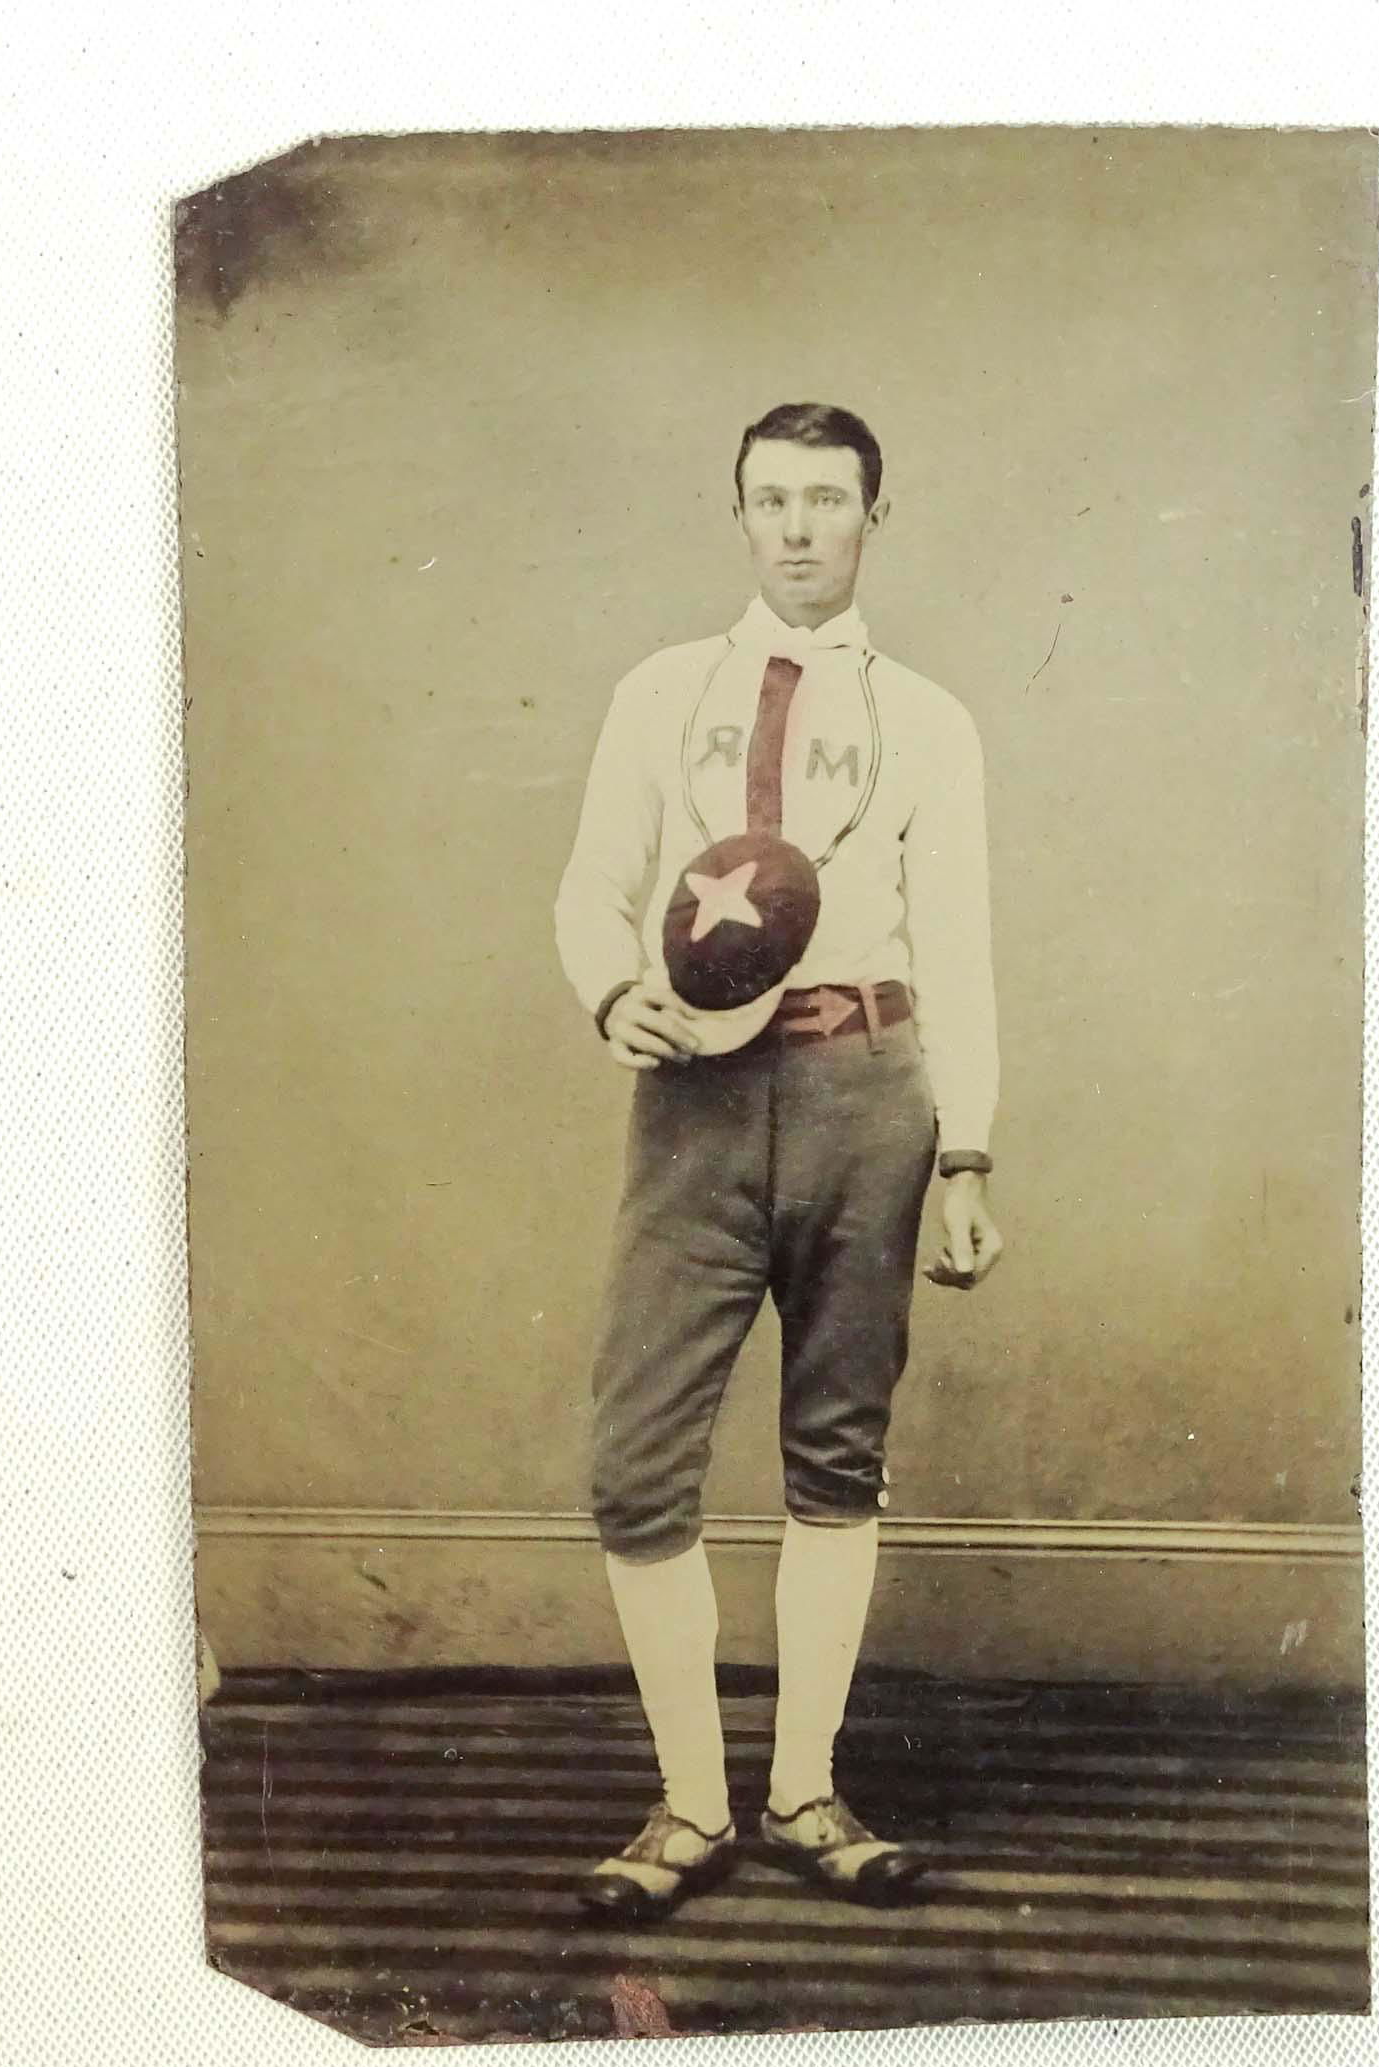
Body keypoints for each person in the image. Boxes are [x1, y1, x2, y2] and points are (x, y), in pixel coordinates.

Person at [554, 401, 1002, 1920]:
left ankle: (805, 1787)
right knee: (637, 1463)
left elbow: (963, 949)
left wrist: (970, 1153)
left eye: (829, 498)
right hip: (696, 1096)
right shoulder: (665, 693)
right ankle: (690, 1804)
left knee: (835, 1452)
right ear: (738, 515)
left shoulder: (928, 720)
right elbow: (591, 888)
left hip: (865, 1092)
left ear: (875, 513)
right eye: (772, 499)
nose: (800, 525)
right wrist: (615, 994)